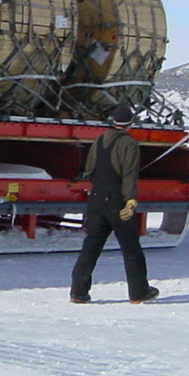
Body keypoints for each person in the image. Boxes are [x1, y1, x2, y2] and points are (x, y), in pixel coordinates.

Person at [70, 102, 159, 304]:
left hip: (96, 199)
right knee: (131, 249)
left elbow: (90, 170)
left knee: (91, 245)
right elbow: (129, 174)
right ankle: (139, 292)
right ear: (130, 124)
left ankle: (78, 292)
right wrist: (130, 200)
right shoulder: (129, 143)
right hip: (118, 201)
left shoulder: (99, 140)